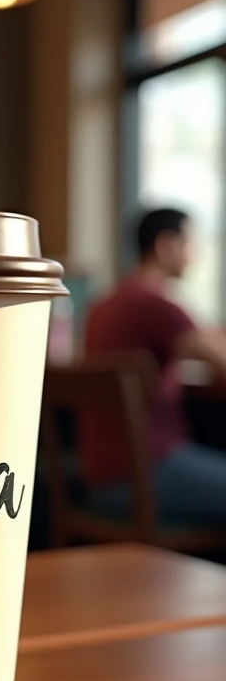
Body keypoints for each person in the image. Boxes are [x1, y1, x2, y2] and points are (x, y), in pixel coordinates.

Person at [81, 207, 226, 525]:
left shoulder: (102, 304)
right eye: (191, 243)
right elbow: (218, 358)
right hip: (145, 470)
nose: (196, 254)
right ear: (165, 245)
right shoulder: (155, 305)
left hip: (99, 472)